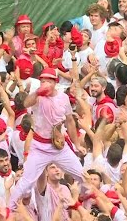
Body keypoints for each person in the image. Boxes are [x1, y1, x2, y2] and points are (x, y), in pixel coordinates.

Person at [8, 67, 86, 210]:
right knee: (26, 182)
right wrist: (38, 91)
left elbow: (69, 121)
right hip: (39, 146)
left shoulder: (63, 98)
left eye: (47, 81)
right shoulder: (37, 97)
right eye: (42, 81)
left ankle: (85, 204)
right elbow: (25, 103)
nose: (44, 83)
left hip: (58, 147)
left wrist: (76, 144)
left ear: (54, 82)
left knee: (83, 176)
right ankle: (9, 209)